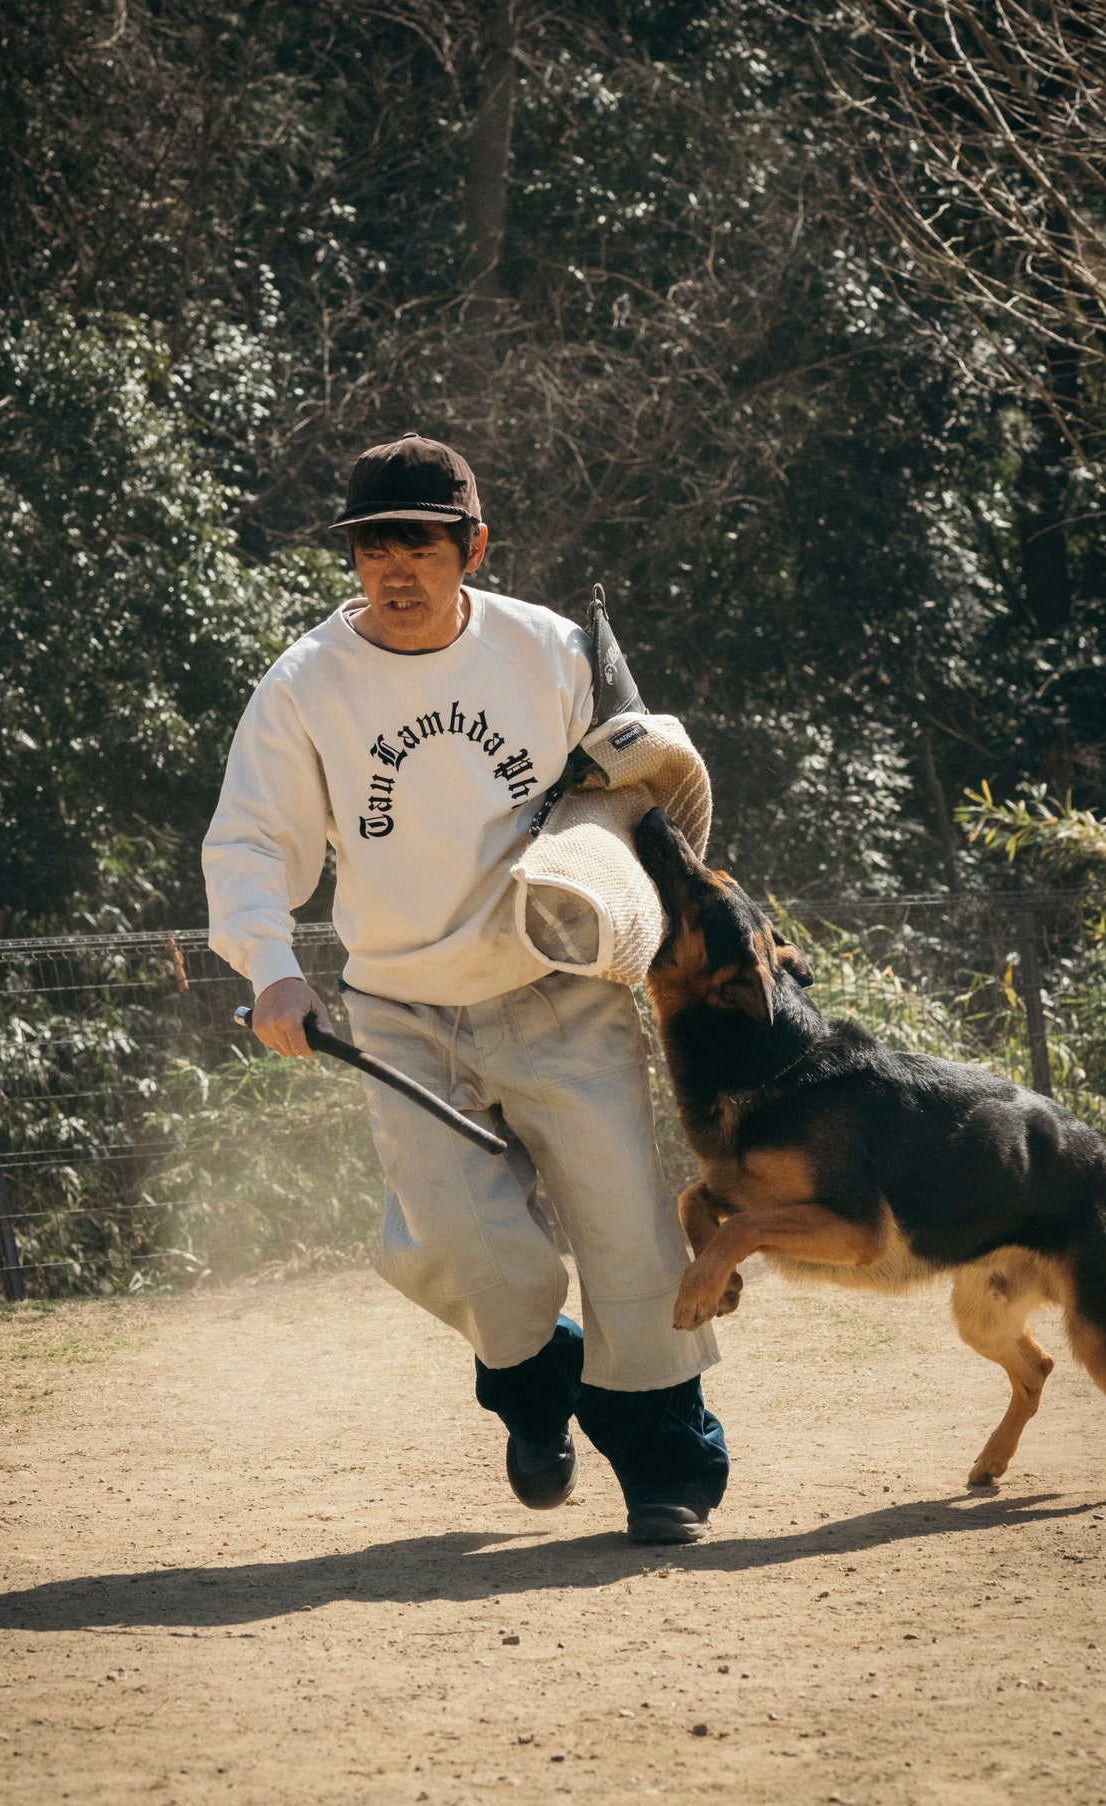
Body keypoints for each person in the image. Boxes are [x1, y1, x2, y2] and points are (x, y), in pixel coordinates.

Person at [201, 432, 729, 1544]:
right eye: (372, 547)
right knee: (461, 1245)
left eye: (421, 545)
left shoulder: (551, 651)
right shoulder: (303, 688)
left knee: (626, 1238)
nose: (394, 569)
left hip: (560, 988)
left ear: (470, 547)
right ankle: (539, 1394)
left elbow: (639, 792)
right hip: (400, 1010)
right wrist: (275, 972)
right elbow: (249, 843)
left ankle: (662, 1468)